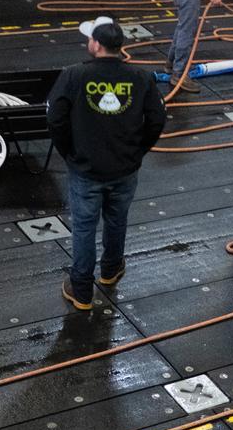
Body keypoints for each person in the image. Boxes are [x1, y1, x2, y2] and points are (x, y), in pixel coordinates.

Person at [47, 16, 168, 311]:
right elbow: (157, 119)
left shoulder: (73, 75)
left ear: (96, 45)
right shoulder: (141, 78)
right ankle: (111, 270)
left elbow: (54, 118)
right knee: (117, 220)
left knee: (85, 228)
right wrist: (138, 151)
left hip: (85, 170)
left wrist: (70, 153)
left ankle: (82, 291)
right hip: (125, 168)